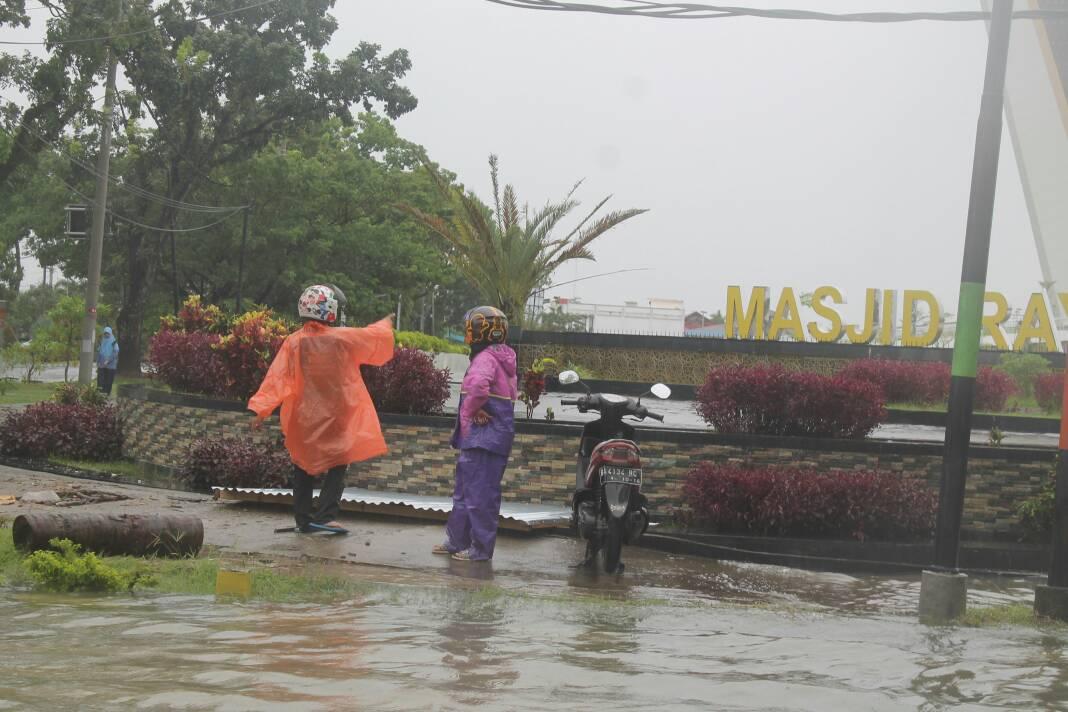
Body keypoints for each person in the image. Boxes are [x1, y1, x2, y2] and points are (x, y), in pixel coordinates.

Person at [248, 284, 394, 534]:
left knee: (302, 465)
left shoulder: (294, 342)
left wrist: (261, 409)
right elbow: (372, 337)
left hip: (304, 416)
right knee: (339, 462)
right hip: (337, 414)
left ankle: (303, 519)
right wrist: (386, 323)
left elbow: (277, 377)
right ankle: (325, 516)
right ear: (330, 310)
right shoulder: (340, 338)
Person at [434, 306, 517, 561]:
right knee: (465, 492)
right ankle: (457, 542)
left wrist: (471, 410)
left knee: (479, 496)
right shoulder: (500, 357)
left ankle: (479, 550)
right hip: (484, 437)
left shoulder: (485, 359)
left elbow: (480, 387)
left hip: (485, 438)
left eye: (470, 329)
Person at [96, 326, 119, 395]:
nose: (106, 335)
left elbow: (116, 352)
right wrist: (98, 362)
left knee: (108, 381)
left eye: (108, 333)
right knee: (100, 380)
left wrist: (108, 360)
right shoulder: (102, 341)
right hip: (102, 365)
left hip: (110, 365)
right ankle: (100, 393)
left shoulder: (114, 342)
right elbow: (99, 352)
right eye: (105, 333)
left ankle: (106, 394)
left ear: (111, 333)